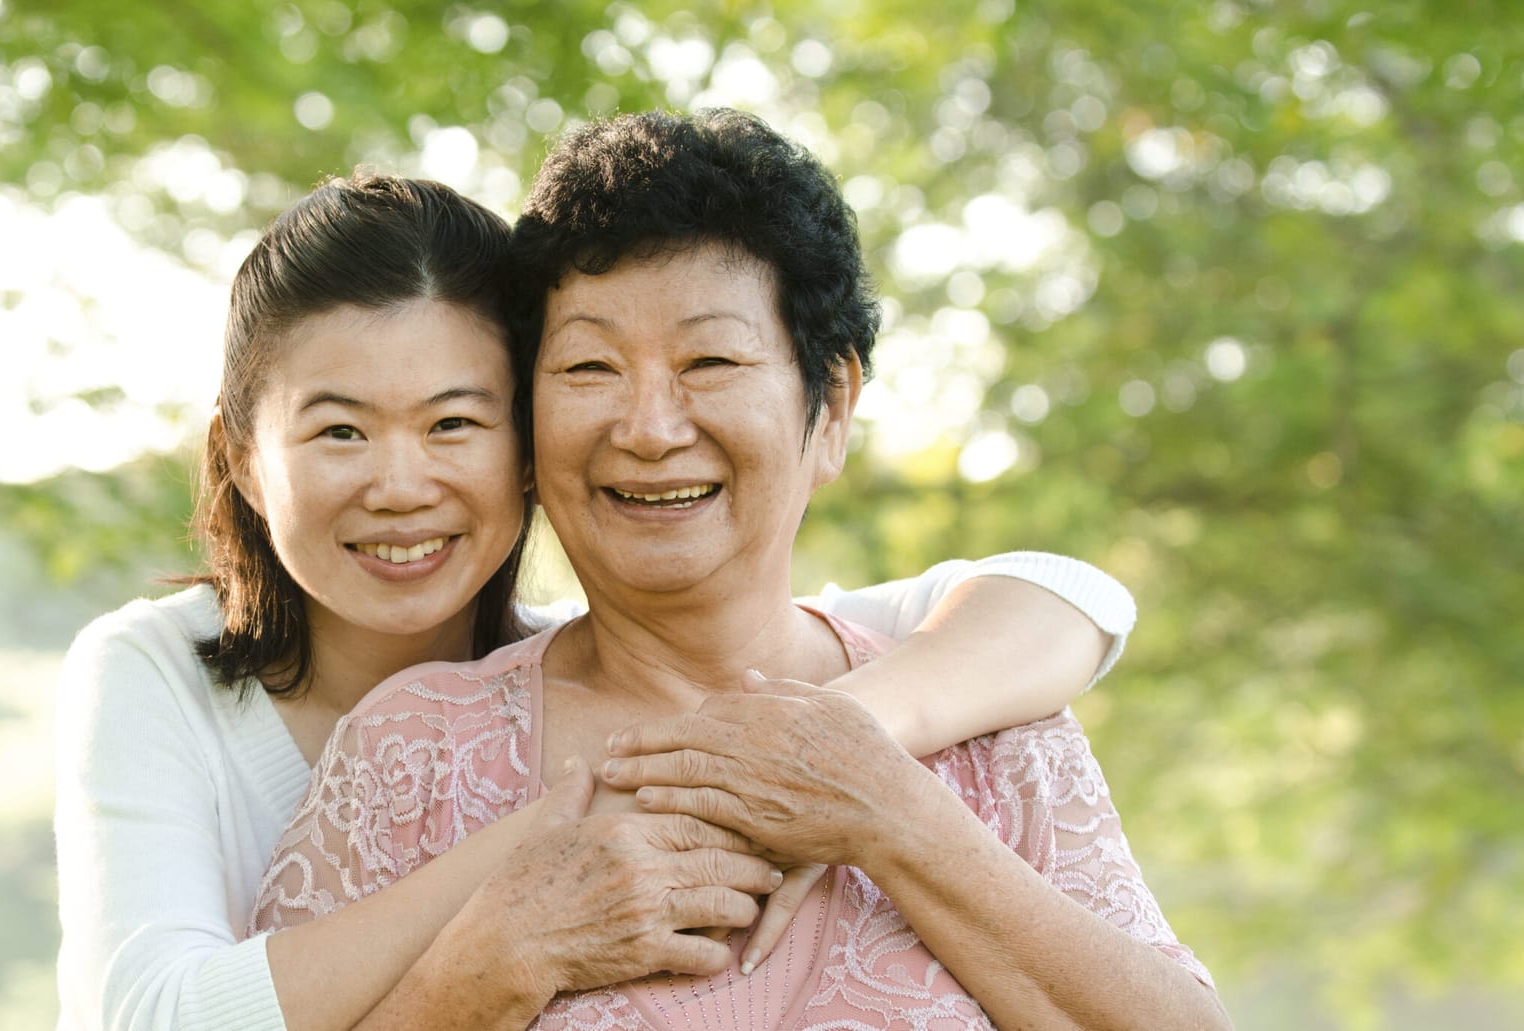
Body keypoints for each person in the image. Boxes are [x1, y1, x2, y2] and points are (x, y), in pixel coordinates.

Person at [56, 172, 1139, 1031]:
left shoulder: (881, 681)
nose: (400, 483)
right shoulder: (181, 677)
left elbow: (1058, 595)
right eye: (340, 429)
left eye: (454, 424)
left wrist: (855, 750)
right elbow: (152, 1014)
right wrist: (536, 888)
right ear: (241, 458)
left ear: (521, 447)